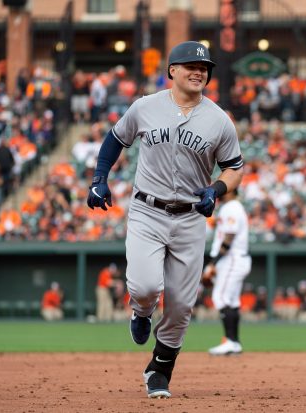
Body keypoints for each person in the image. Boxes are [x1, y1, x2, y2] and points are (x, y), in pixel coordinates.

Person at [86, 41, 244, 399]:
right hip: (147, 211)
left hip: (190, 217)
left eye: (204, 68)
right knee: (144, 287)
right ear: (171, 70)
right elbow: (115, 139)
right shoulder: (146, 107)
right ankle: (140, 312)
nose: (198, 71)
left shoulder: (219, 119)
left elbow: (234, 167)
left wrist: (216, 189)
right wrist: (99, 179)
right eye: (190, 65)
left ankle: (160, 369)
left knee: (181, 305)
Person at [203, 188, 251, 355]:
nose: (220, 192)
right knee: (231, 301)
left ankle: (230, 342)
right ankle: (234, 342)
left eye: (223, 189)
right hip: (235, 258)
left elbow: (229, 236)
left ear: (231, 191)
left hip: (231, 258)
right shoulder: (232, 207)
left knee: (220, 298)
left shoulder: (232, 207)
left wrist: (213, 263)